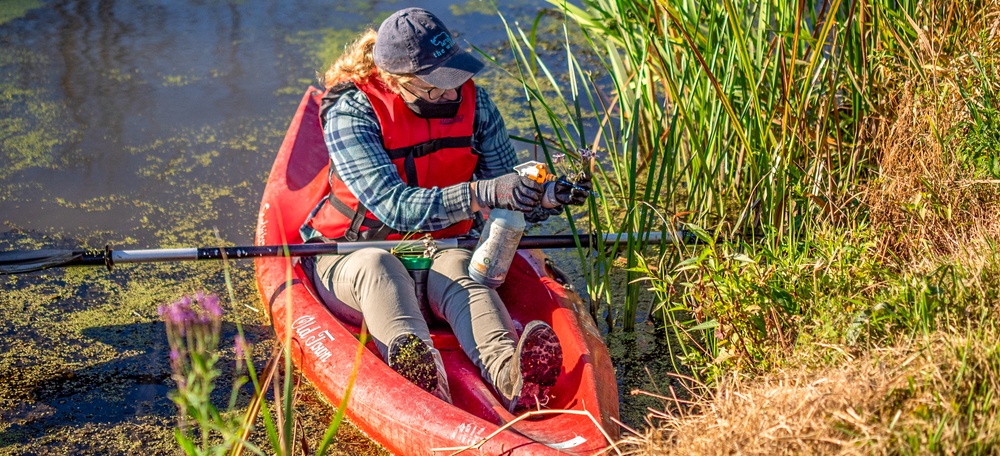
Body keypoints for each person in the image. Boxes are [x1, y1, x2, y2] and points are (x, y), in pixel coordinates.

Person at [299, 7, 591, 412]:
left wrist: (542, 197)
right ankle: (422, 383)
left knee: (462, 271)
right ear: (398, 81)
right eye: (436, 85)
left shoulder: (477, 103)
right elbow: (394, 207)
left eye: (455, 77)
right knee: (379, 269)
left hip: (441, 247)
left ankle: (513, 377)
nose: (453, 94)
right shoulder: (353, 112)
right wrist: (483, 192)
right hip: (352, 254)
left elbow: (505, 187)